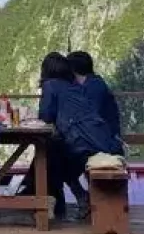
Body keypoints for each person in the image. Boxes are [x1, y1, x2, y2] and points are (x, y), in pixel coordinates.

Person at [37, 52, 116, 219]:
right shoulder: (77, 87)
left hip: (83, 142)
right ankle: (79, 200)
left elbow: (45, 116)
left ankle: (50, 204)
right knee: (54, 156)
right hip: (100, 140)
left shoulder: (51, 86)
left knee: (51, 160)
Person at [67, 51, 123, 153]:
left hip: (104, 143)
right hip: (98, 139)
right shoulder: (91, 83)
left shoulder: (94, 86)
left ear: (73, 70)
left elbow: (89, 117)